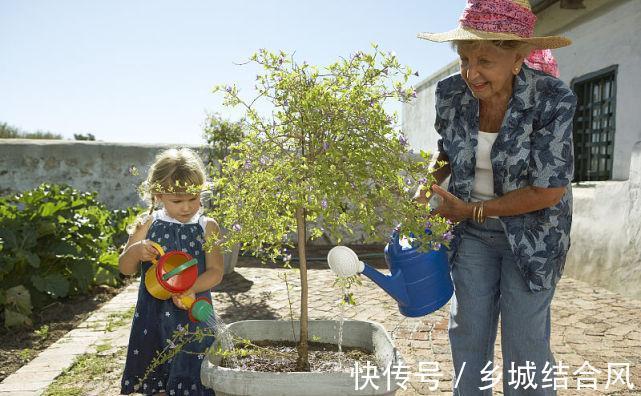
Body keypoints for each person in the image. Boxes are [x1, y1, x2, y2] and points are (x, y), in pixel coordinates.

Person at [415, 0, 577, 394]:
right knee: (468, 329)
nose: (472, 73)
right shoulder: (452, 93)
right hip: (472, 233)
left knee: (525, 340)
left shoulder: (552, 99)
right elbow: (448, 151)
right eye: (464, 58)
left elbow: (548, 189)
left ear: (517, 58)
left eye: (485, 60)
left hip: (534, 236)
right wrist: (428, 185)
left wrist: (470, 208)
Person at [119, 148, 223, 396]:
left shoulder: (207, 227)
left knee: (192, 369)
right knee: (155, 374)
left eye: (193, 198)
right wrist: (135, 252)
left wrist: (192, 287)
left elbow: (216, 272)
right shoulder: (148, 224)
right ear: (158, 196)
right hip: (152, 315)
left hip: (193, 311)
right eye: (177, 201)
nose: (187, 207)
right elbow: (124, 268)